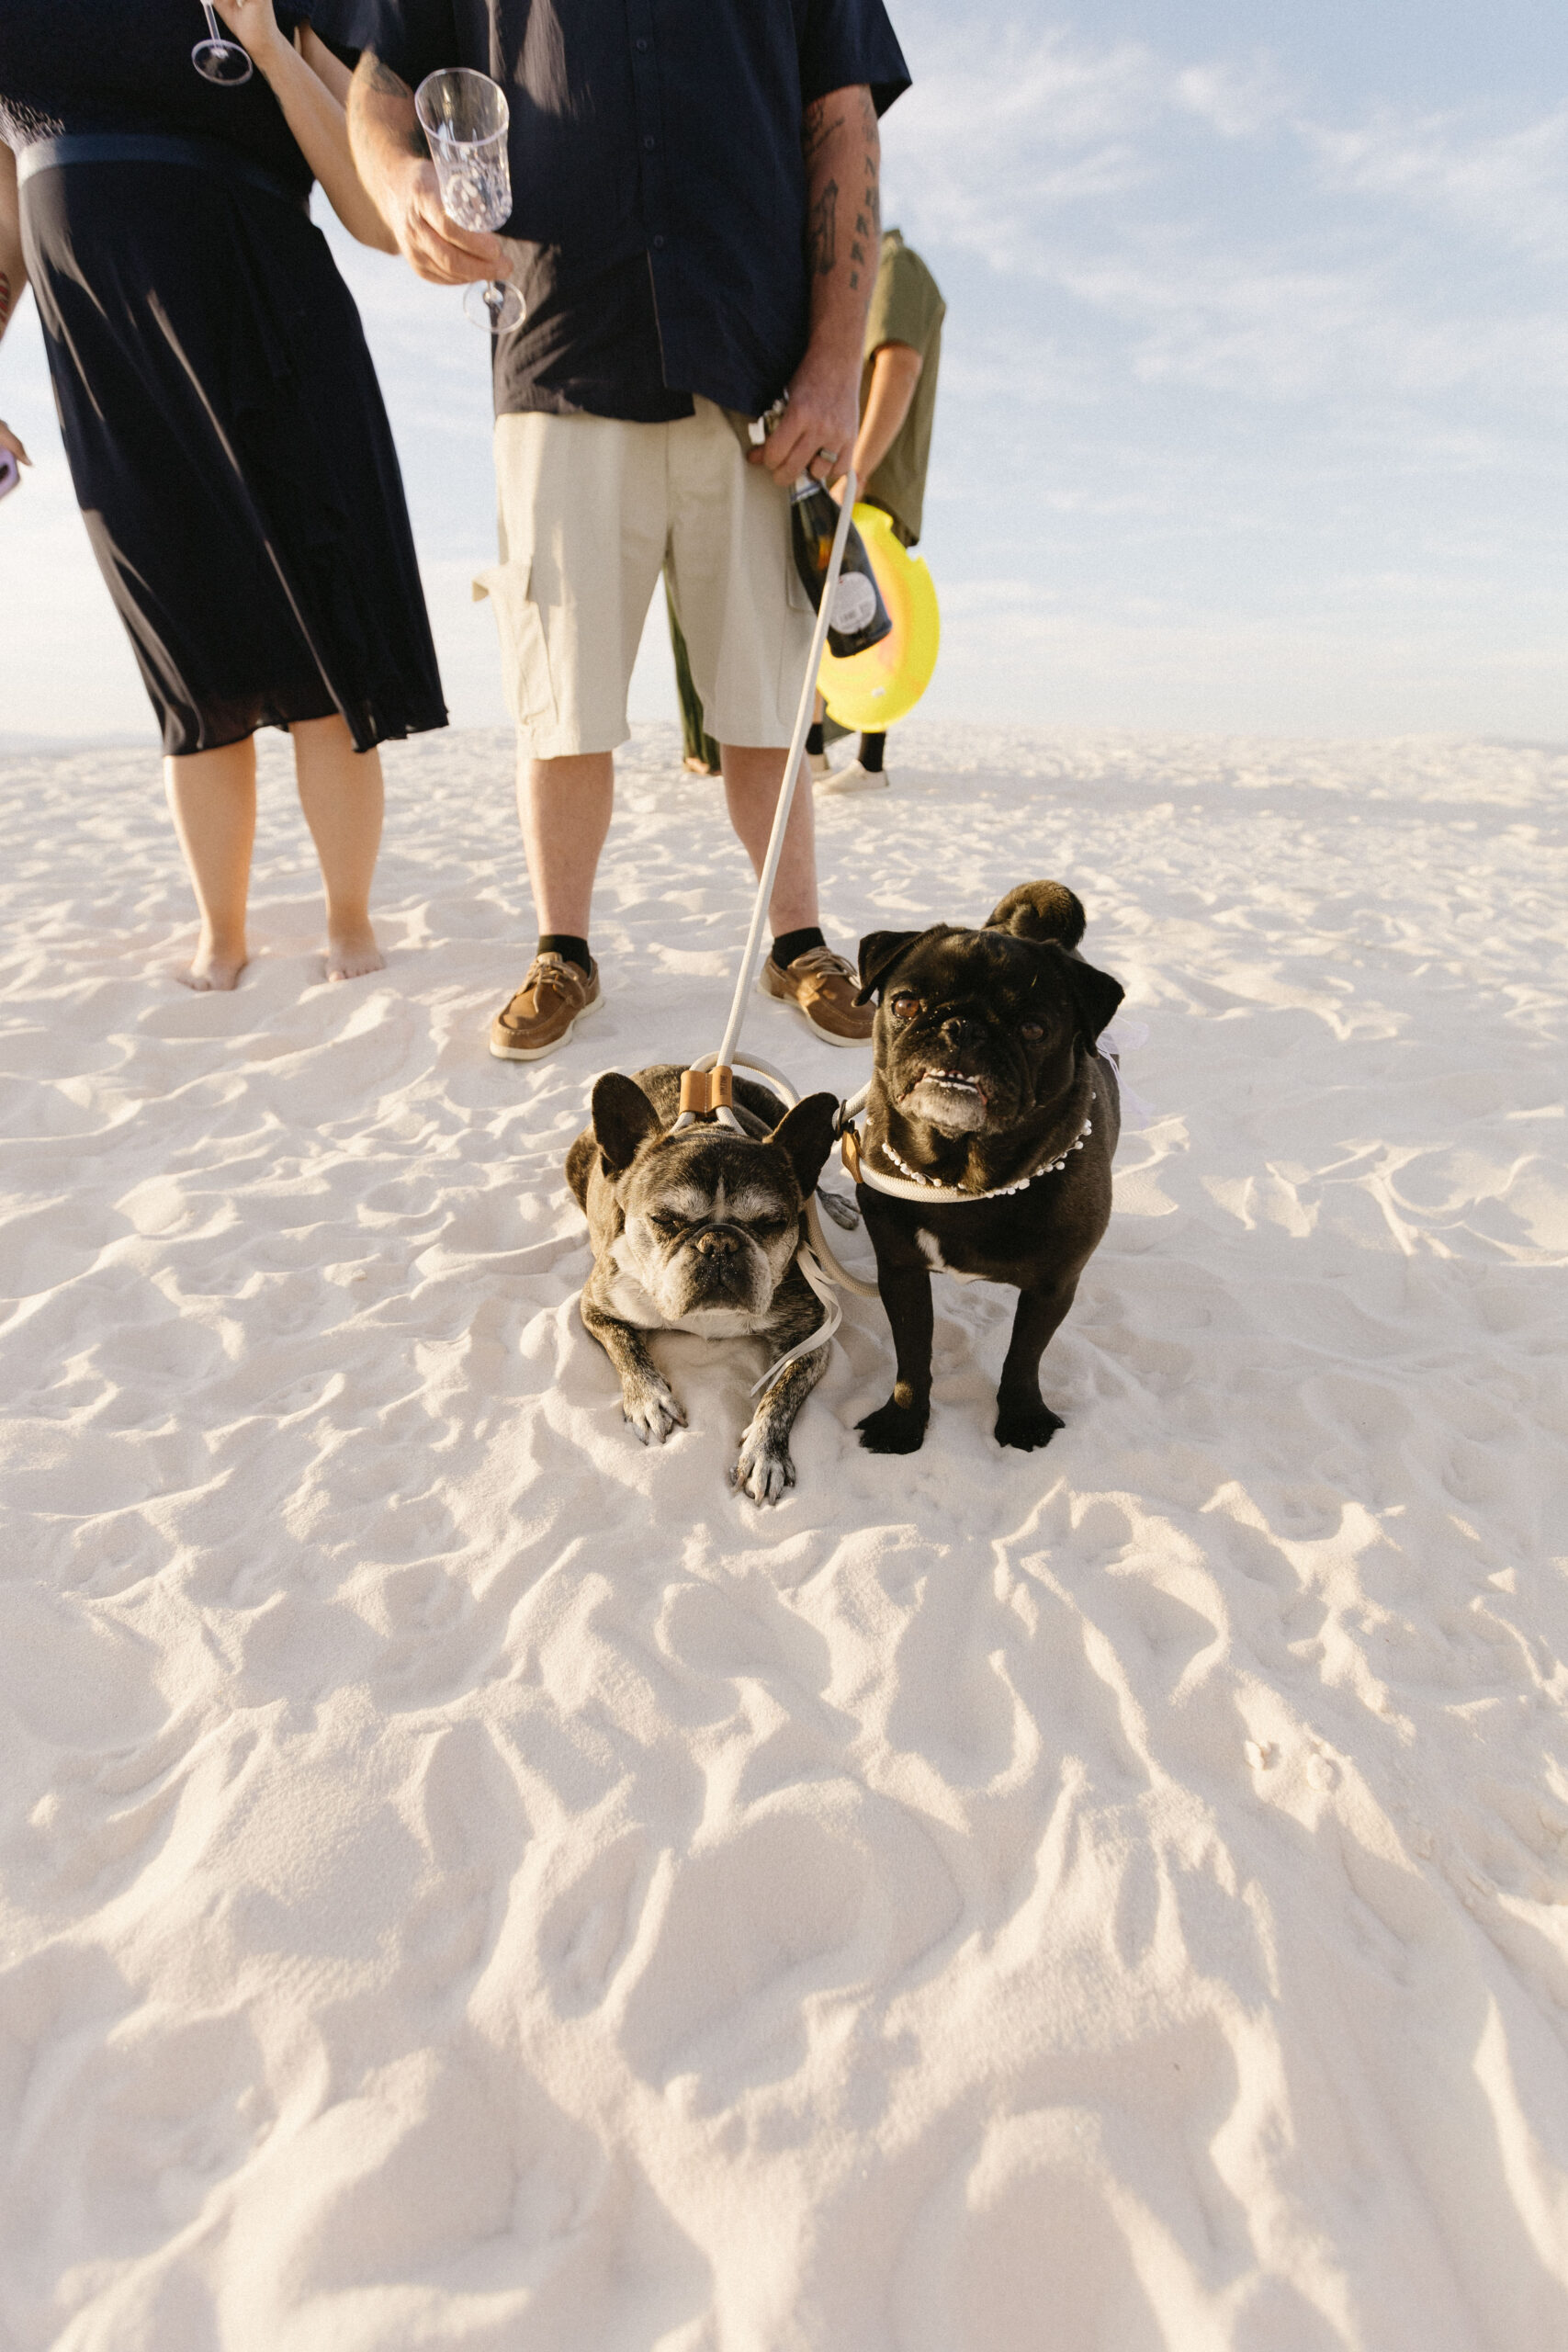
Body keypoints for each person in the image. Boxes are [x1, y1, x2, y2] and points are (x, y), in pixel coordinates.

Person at [343, 1, 909, 1060]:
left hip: (757, 366)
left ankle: (798, 941)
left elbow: (845, 122)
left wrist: (837, 362)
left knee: (765, 688)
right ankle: (563, 947)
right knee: (559, 692)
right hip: (559, 348)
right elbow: (383, 77)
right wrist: (394, 174)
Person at [0, 1, 446, 992]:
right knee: (188, 659)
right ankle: (223, 931)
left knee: (323, 642)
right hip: (112, 368)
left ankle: (346, 917)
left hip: (275, 343)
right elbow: (1, 230)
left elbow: (376, 213)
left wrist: (268, 44)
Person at [813, 225, 943, 795]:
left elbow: (899, 365)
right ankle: (816, 751)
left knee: (873, 612)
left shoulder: (894, 267)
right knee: (821, 608)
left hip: (873, 485)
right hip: (849, 480)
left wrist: (857, 472)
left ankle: (869, 761)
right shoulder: (850, 280)